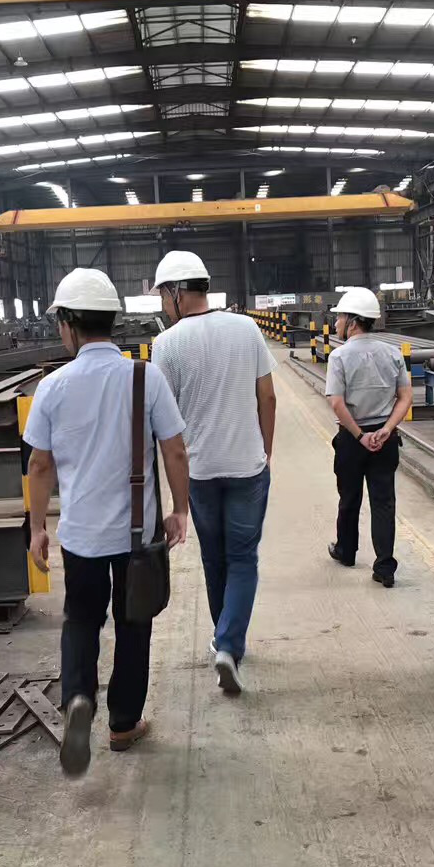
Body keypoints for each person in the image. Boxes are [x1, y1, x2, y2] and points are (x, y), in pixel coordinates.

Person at [25, 267, 191, 777]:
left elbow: (39, 465)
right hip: (137, 535)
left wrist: (37, 527)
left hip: (81, 536)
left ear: (69, 325)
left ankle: (79, 696)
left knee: (81, 619)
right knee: (134, 623)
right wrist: (179, 509)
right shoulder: (145, 377)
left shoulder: (52, 387)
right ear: (112, 321)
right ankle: (123, 723)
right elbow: (175, 450)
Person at [150, 250, 276, 696]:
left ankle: (224, 638)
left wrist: (174, 493)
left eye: (163, 296)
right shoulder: (246, 328)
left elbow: (165, 421)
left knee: (214, 557)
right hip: (246, 466)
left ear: (177, 292)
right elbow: (267, 397)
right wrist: (265, 451)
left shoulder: (166, 345)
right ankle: (228, 644)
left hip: (200, 472)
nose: (163, 305)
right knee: (243, 558)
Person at [323, 287, 412, 587]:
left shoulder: (339, 356)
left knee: (349, 497)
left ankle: (346, 551)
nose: (336, 322)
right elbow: (405, 396)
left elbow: (337, 403)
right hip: (385, 439)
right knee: (383, 501)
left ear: (352, 322)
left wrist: (360, 436)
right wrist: (387, 429)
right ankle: (384, 566)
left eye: (339, 317)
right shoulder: (392, 353)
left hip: (352, 438)